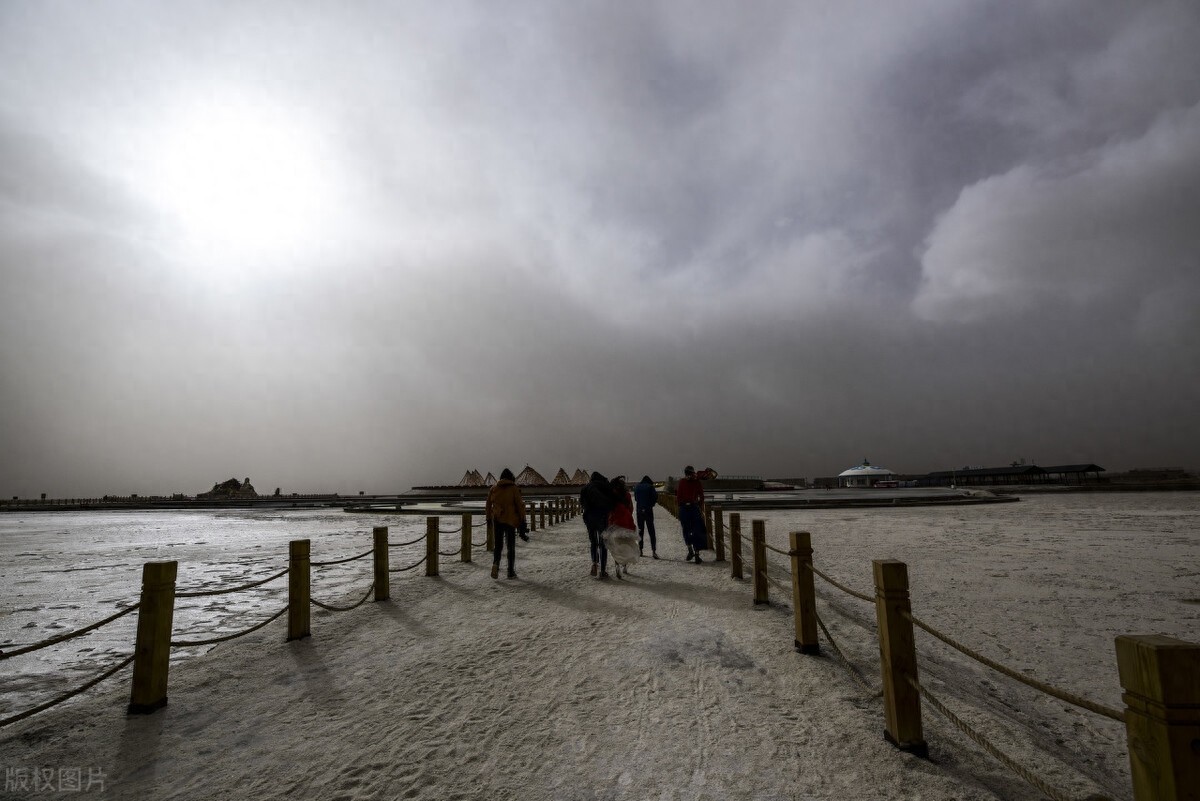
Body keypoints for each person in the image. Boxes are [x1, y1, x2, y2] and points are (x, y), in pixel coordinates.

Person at [485, 467, 527, 579]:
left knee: (498, 545)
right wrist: (522, 519)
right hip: (510, 520)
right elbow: (520, 505)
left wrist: (489, 518)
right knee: (510, 546)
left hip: (497, 519)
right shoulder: (514, 488)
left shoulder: (494, 488)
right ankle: (510, 571)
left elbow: (488, 504)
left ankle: (495, 565)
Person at [579, 471, 616, 578]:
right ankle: (603, 570)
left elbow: (582, 503)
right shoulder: (604, 487)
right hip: (601, 517)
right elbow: (611, 501)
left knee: (593, 542)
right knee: (603, 543)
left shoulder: (585, 488)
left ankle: (594, 562)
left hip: (589, 518)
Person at [676, 465, 706, 563]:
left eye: (689, 474)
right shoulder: (683, 482)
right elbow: (679, 496)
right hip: (686, 508)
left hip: (692, 508)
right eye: (687, 474)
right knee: (687, 530)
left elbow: (701, 496)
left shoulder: (696, 482)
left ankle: (696, 554)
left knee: (696, 530)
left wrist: (700, 507)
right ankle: (690, 550)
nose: (688, 476)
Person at [633, 475, 658, 558]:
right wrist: (651, 504)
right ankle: (654, 551)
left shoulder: (637, 487)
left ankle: (640, 550)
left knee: (640, 531)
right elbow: (655, 497)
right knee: (651, 530)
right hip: (648, 510)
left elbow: (636, 498)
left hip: (639, 510)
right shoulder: (650, 487)